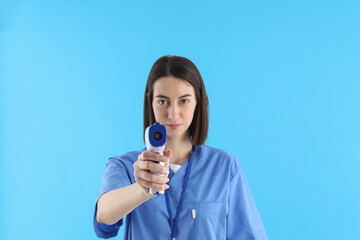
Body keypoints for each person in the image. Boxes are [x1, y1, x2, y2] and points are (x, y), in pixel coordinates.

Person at [93, 55, 268, 239]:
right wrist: (142, 188)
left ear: (197, 102)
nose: (173, 114)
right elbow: (104, 219)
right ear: (150, 102)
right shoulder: (126, 166)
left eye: (184, 101)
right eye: (162, 101)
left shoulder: (225, 167)